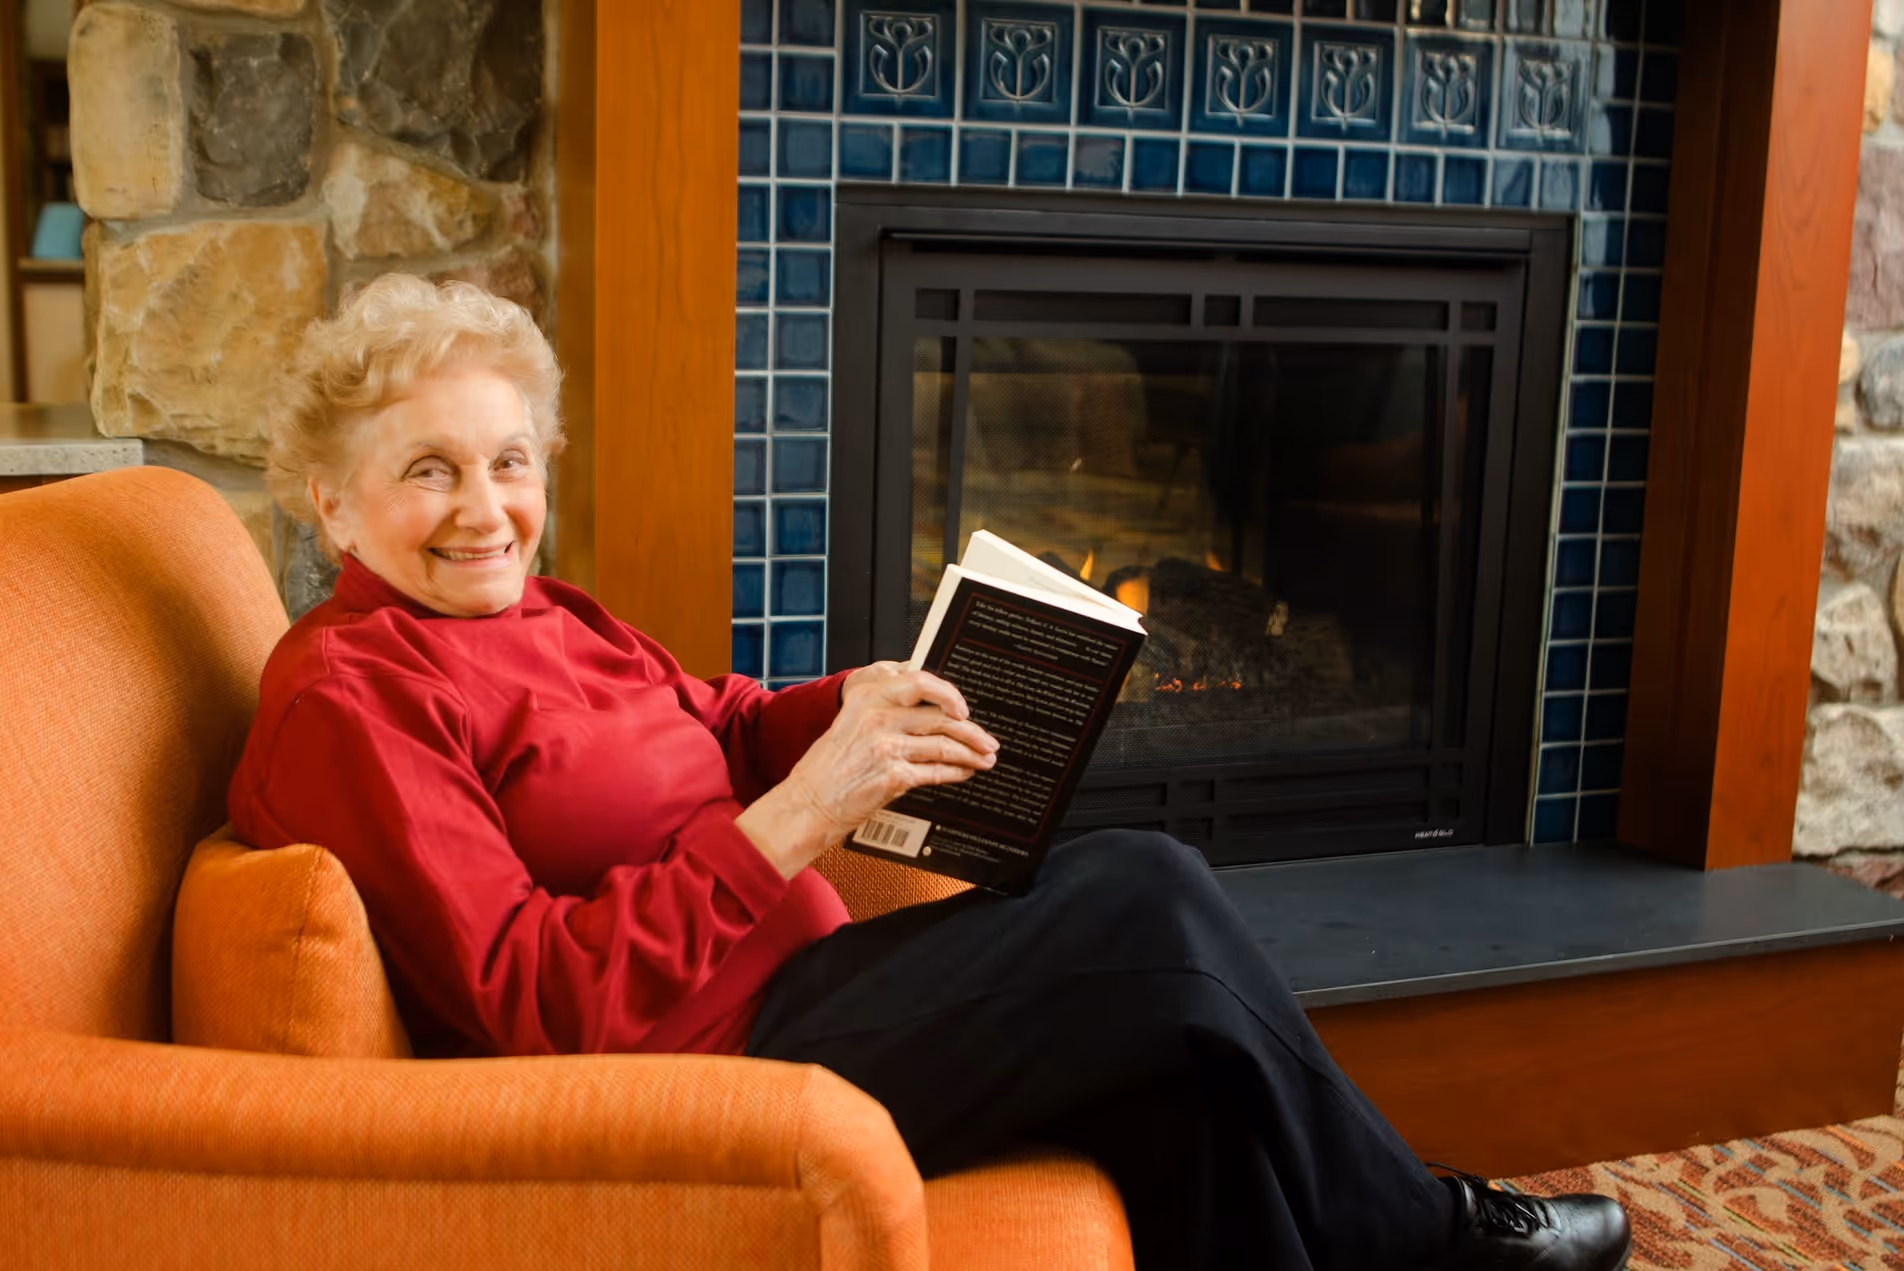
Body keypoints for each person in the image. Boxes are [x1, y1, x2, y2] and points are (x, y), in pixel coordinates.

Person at [229, 274, 1631, 1271]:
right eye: (430, 470)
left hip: (806, 995)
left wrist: (860, 703)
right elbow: (536, 1001)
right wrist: (796, 820)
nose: (486, 509)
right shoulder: (354, 695)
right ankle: (1426, 1232)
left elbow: (711, 721)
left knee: (1176, 1077)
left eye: (510, 461)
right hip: (698, 1078)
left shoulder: (542, 610)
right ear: (332, 498)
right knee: (1143, 895)